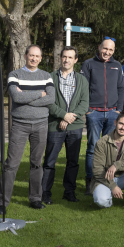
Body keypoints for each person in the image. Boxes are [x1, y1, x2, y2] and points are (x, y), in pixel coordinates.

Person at [0, 45, 55, 214]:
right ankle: (2, 203)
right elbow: (16, 96)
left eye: (37, 56)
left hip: (41, 125)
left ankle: (35, 199)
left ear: (41, 58)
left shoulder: (46, 76)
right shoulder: (15, 75)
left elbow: (51, 98)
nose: (34, 58)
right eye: (31, 55)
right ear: (25, 55)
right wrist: (39, 94)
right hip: (20, 125)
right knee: (11, 164)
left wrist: (27, 97)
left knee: (37, 164)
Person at [41, 46, 89, 205]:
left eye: (70, 57)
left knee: (73, 162)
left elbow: (84, 104)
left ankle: (69, 192)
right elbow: (48, 101)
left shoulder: (82, 80)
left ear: (76, 60)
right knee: (49, 162)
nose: (67, 60)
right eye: (64, 57)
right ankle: (45, 193)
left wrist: (69, 118)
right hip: (55, 126)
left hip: (75, 127)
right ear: (60, 58)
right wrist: (63, 115)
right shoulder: (50, 77)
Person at [81, 37, 124, 195]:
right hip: (94, 113)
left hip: (113, 113)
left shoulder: (117, 65)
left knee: (109, 149)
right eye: (105, 48)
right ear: (99, 47)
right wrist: (87, 110)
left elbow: (121, 88)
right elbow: (83, 87)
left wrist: (118, 110)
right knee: (93, 148)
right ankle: (91, 180)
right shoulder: (88, 64)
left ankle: (106, 180)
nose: (108, 52)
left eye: (111, 50)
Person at [91, 111, 124, 212]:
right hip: (105, 179)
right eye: (121, 123)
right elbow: (97, 171)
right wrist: (113, 186)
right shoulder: (101, 142)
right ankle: (108, 196)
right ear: (115, 123)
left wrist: (116, 165)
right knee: (101, 201)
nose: (123, 127)